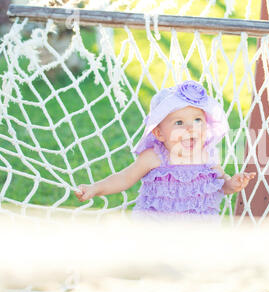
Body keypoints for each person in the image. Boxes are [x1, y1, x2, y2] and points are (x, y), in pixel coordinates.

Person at [75, 80, 256, 220]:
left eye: (197, 120)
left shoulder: (206, 156)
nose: (190, 128)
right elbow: (124, 178)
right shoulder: (155, 157)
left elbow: (221, 185)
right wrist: (95, 188)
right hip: (157, 230)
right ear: (159, 133)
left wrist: (232, 184)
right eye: (179, 123)